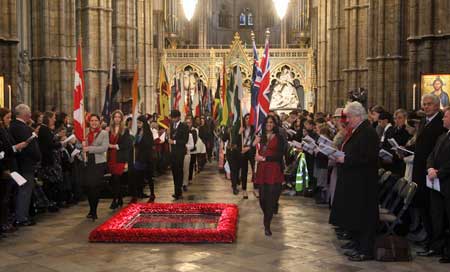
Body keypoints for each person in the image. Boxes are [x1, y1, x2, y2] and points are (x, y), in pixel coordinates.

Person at [330, 101, 379, 261]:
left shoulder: (367, 132)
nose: (347, 120)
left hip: (363, 183)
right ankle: (358, 245)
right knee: (356, 216)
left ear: (358, 116)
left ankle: (365, 250)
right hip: (355, 180)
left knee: (364, 218)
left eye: (349, 117)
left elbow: (368, 158)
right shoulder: (359, 130)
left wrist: (346, 158)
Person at [414, 94, 446, 255]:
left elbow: (437, 151)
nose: (425, 107)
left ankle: (435, 242)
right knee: (423, 207)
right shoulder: (423, 121)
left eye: (428, 104)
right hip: (420, 170)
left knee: (433, 209)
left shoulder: (440, 122)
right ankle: (429, 238)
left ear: (436, 105)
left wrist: (431, 168)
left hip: (432, 173)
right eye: (424, 104)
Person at [9, 104, 41, 226]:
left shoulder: (13, 126)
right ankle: (22, 217)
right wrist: (37, 158)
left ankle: (20, 216)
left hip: (18, 164)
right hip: (26, 165)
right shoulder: (23, 128)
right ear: (26, 115)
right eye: (29, 114)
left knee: (20, 192)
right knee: (24, 192)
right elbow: (31, 147)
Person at [426, 106, 450, 263]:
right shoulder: (443, 136)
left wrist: (439, 172)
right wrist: (429, 167)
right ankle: (439, 247)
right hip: (436, 183)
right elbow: (431, 155)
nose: (443, 119)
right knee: (438, 216)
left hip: (447, 182)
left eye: (446, 116)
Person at [254, 115, 285, 236]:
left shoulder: (279, 137)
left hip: (274, 169)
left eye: (271, 122)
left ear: (275, 124)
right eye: (267, 122)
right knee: (262, 199)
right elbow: (250, 150)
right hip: (262, 170)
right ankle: (268, 213)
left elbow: (280, 155)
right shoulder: (260, 137)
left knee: (271, 199)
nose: (269, 124)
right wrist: (254, 143)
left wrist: (265, 158)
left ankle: (267, 224)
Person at [0, 108, 27, 234]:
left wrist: (16, 148)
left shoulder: (5, 130)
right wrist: (15, 148)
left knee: (8, 197)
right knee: (4, 199)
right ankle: (4, 224)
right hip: (4, 168)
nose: (10, 120)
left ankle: (6, 222)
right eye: (7, 117)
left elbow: (7, 147)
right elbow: (4, 150)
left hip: (10, 166)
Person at [82, 114, 109, 221]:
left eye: (96, 120)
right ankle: (91, 209)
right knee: (88, 187)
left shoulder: (104, 133)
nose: (94, 122)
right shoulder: (85, 132)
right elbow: (80, 146)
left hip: (98, 163)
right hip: (88, 162)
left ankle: (94, 210)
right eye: (92, 120)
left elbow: (104, 148)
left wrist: (89, 148)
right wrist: (81, 146)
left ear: (99, 122)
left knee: (95, 186)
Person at [38, 111, 64, 208]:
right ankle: (50, 203)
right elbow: (49, 145)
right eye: (53, 117)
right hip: (48, 161)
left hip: (50, 160)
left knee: (53, 183)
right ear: (48, 118)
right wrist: (60, 143)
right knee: (50, 183)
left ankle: (53, 202)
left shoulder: (46, 129)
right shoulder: (44, 129)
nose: (55, 119)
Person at [107, 110, 132, 209]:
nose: (117, 119)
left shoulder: (125, 130)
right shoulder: (109, 130)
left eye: (119, 117)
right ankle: (120, 198)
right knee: (114, 180)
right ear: (113, 119)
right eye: (115, 117)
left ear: (121, 119)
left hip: (120, 157)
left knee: (117, 179)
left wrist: (115, 146)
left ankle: (114, 200)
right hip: (111, 157)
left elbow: (127, 145)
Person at [129, 115, 154, 203]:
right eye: (138, 123)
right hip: (139, 158)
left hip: (147, 158)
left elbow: (149, 144)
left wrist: (139, 144)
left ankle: (152, 193)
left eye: (140, 123)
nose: (138, 125)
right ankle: (136, 195)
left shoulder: (148, 132)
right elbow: (136, 143)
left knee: (149, 177)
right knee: (137, 177)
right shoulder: (138, 132)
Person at [168, 110, 189, 200]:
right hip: (173, 152)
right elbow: (171, 137)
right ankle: (176, 190)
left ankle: (178, 191)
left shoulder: (184, 126)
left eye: (174, 118)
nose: (173, 119)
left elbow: (185, 140)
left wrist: (174, 141)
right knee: (174, 172)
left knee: (179, 171)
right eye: (172, 118)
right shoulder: (171, 126)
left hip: (180, 152)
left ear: (178, 117)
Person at [240, 113, 256, 199]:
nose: (248, 120)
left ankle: (255, 188)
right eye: (246, 118)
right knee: (244, 171)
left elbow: (256, 141)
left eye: (249, 118)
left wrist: (249, 148)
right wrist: (239, 133)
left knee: (255, 169)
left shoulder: (254, 129)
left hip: (251, 150)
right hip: (243, 151)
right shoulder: (242, 128)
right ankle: (244, 189)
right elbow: (236, 140)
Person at [182, 118, 195, 192]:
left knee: (186, 170)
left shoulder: (190, 135)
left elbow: (192, 145)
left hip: (187, 154)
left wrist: (186, 146)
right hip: (179, 154)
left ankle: (185, 184)